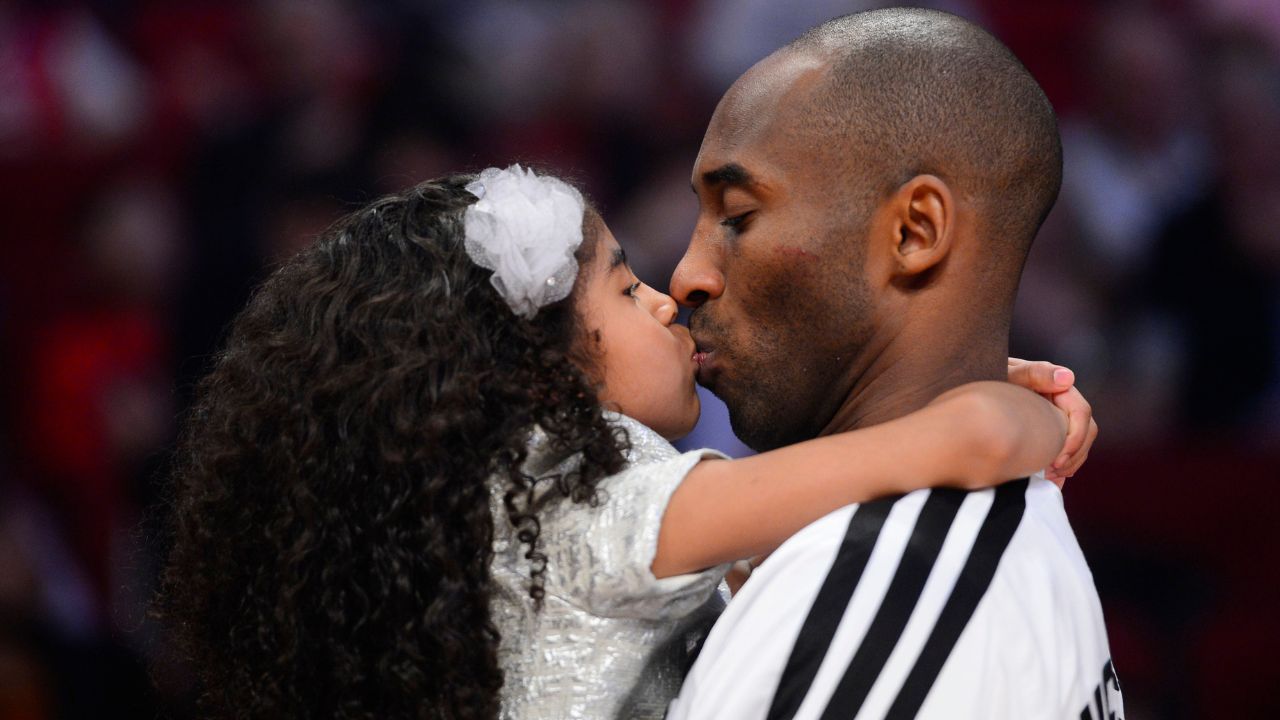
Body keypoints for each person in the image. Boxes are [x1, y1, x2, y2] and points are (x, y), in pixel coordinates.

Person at [159, 165, 1091, 719]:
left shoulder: (494, 516)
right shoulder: (596, 514)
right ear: (534, 365)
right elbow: (963, 440)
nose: (667, 298)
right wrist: (1017, 404)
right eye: (625, 284)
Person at [666, 9, 1121, 720]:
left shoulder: (877, 593)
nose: (686, 276)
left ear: (914, 232)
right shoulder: (982, 525)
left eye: (737, 216)